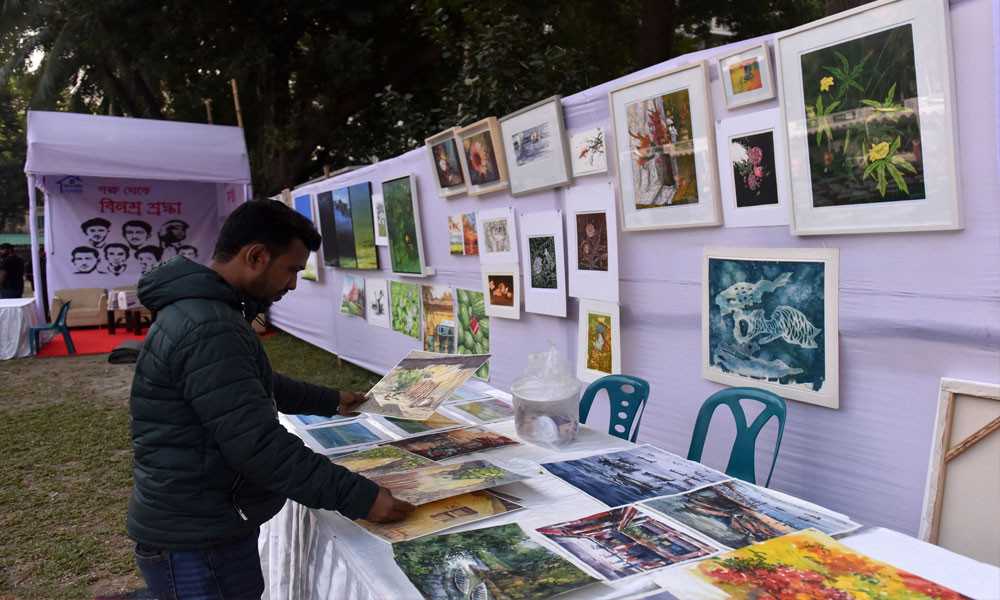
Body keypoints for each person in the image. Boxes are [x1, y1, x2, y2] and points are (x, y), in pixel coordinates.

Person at [128, 199, 413, 599]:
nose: (294, 284)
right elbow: (258, 446)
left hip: (200, 521)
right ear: (256, 256)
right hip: (199, 537)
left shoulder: (207, 313)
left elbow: (247, 385)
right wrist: (362, 498)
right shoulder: (210, 325)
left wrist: (330, 399)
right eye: (292, 269)